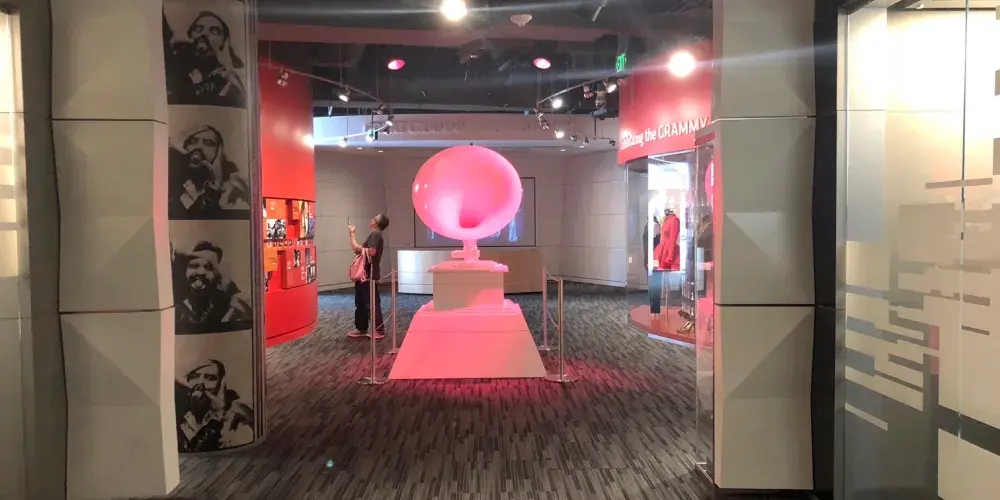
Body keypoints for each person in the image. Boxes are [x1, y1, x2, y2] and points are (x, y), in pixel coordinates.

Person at [164, 11, 246, 107]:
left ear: (223, 43)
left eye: (214, 32)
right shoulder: (177, 69)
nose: (204, 34)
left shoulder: (230, 81)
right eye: (198, 29)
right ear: (189, 36)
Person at [168, 125, 249, 218]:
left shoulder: (234, 190)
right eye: (193, 141)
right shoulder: (174, 183)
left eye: (208, 143)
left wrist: (215, 185)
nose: (198, 147)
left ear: (218, 154)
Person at [176, 359, 253, 452]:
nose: (201, 383)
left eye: (210, 378)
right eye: (194, 376)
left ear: (220, 384)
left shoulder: (235, 418)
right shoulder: (178, 416)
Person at [174, 241, 252, 333]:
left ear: (217, 273)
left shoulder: (230, 304)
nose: (201, 272)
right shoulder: (174, 300)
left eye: (208, 267)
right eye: (194, 266)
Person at [348, 214, 389, 338]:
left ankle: (379, 330)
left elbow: (372, 251)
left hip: (368, 274)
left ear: (376, 222)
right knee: (360, 302)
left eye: (374, 218)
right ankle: (362, 328)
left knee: (371, 303)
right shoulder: (375, 235)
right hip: (364, 274)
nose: (371, 219)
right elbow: (358, 249)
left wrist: (359, 247)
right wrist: (352, 235)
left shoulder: (375, 234)